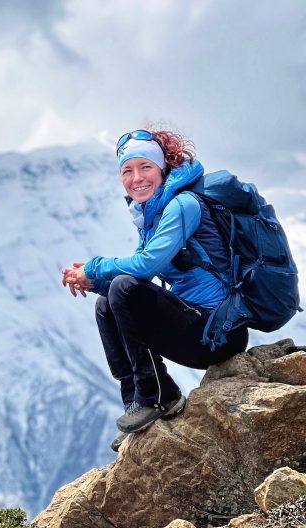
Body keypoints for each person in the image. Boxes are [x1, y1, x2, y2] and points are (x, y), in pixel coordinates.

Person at [61, 129, 248, 452]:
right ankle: (136, 400)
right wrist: (94, 283)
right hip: (196, 328)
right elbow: (134, 281)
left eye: (145, 167)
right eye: (127, 170)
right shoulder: (152, 214)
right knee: (107, 301)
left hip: (220, 333)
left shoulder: (183, 205)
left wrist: (94, 267)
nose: (137, 178)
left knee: (122, 288)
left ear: (163, 167)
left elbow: (146, 266)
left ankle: (158, 395)